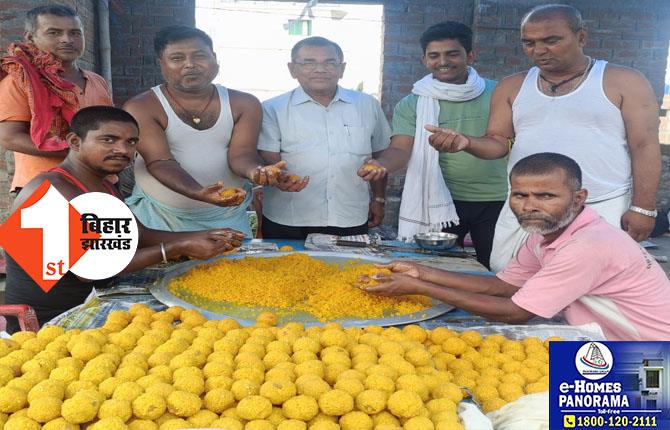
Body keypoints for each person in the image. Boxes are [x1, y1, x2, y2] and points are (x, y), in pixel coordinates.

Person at [421, 4, 661, 272]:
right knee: (508, 277)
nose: (539, 50)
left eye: (551, 40)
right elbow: (499, 142)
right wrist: (466, 142)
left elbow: (645, 146)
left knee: (593, 289)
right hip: (526, 207)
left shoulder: (623, 81)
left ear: (581, 37)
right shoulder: (512, 85)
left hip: (601, 204)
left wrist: (643, 208)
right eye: (529, 43)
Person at [365, 153, 670, 341]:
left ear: (578, 198)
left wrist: (419, 288)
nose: (530, 206)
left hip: (645, 356)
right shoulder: (545, 231)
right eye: (520, 195)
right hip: (601, 341)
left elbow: (515, 313)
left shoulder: (588, 245)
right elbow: (504, 285)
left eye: (546, 196)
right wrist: (420, 272)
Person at [4, 106, 245, 331]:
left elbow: (138, 235)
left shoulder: (102, 185)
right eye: (108, 140)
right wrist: (176, 248)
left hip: (95, 299)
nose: (123, 150)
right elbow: (92, 268)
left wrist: (205, 235)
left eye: (131, 142)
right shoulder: (47, 190)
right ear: (75, 142)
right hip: (50, 320)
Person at [124, 26, 298, 236]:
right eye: (177, 58)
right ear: (162, 64)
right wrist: (200, 192)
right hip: (161, 221)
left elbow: (241, 154)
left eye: (199, 56)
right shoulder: (142, 106)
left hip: (227, 218)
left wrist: (256, 172)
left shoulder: (244, 103)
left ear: (214, 59)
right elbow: (159, 162)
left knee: (232, 269)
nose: (190, 65)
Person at [371, 22, 507, 269]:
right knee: (438, 269)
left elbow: (507, 141)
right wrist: (381, 165)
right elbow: (401, 149)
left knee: (499, 268)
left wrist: (465, 142)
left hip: (497, 199)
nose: (443, 61)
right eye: (434, 55)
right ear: (424, 59)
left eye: (452, 54)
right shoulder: (412, 103)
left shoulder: (499, 93)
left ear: (471, 55)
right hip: (439, 200)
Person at [258, 36, 391, 239]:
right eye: (309, 62)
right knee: (286, 270)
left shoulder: (366, 105)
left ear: (342, 68)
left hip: (349, 215)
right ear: (292, 69)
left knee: (349, 270)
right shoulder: (272, 108)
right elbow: (268, 157)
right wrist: (280, 179)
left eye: (329, 62)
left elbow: (380, 156)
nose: (320, 69)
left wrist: (379, 199)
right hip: (289, 216)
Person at [0, 5, 113, 195]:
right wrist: (80, 153)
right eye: (54, 32)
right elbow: (9, 137)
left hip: (98, 183)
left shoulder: (97, 81)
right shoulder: (21, 80)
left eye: (75, 33)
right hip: (42, 187)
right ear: (30, 37)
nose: (67, 40)